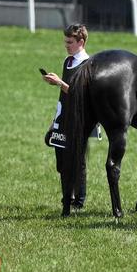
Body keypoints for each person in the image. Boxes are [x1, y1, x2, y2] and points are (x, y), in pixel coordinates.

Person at [42, 23, 91, 209]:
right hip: (62, 117)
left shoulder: (88, 64)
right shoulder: (67, 61)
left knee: (77, 161)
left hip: (78, 120)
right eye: (65, 41)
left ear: (81, 42)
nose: (66, 45)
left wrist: (60, 83)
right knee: (61, 161)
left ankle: (78, 201)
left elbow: (81, 95)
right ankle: (67, 198)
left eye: (70, 42)